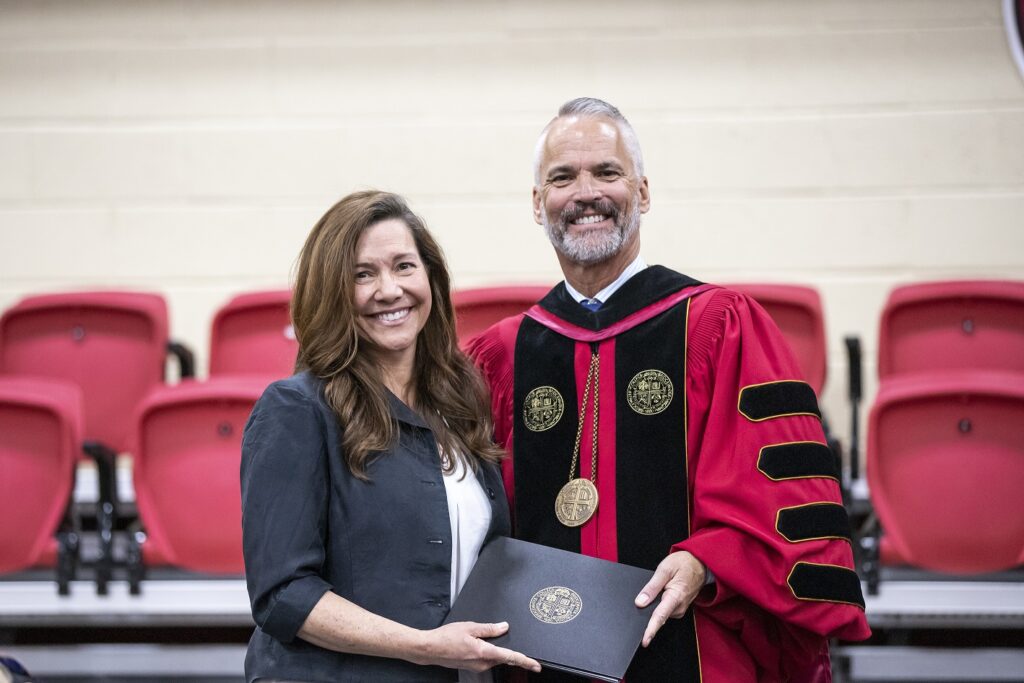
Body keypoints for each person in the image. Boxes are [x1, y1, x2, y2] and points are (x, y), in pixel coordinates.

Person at [468, 98, 871, 681]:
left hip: (692, 650)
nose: (586, 193)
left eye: (607, 172)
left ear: (644, 192)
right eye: (563, 177)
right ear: (538, 204)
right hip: (536, 660)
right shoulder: (503, 354)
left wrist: (705, 561)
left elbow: (777, 500)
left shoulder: (720, 326)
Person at [241, 190, 541, 682]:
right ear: (333, 292)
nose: (389, 289)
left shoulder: (461, 401)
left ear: (430, 278)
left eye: (404, 266)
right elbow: (283, 595)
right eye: (363, 274)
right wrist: (423, 646)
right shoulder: (296, 410)